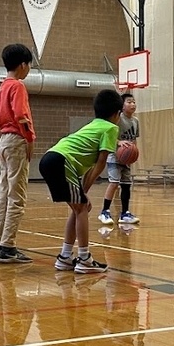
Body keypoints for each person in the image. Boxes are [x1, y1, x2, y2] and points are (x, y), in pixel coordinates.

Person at [38, 88, 123, 274]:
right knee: (82, 207)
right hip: (62, 161)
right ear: (117, 113)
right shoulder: (111, 128)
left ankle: (65, 257)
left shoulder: (93, 125)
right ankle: (84, 259)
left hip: (50, 158)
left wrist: (83, 192)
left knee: (78, 208)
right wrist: (85, 189)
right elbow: (101, 162)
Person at [0, 43, 37, 264]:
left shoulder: (2, 87)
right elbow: (21, 116)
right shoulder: (17, 86)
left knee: (4, 195)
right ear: (23, 65)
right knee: (17, 197)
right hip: (16, 140)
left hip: (4, 140)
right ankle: (8, 247)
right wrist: (30, 140)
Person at [99, 92, 140, 231]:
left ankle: (125, 213)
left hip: (126, 159)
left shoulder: (135, 121)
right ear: (122, 106)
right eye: (129, 102)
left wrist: (134, 153)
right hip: (114, 156)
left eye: (134, 102)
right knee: (114, 183)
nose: (132, 104)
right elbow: (110, 137)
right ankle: (104, 211)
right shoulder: (118, 119)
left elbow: (134, 139)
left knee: (127, 185)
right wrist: (119, 142)